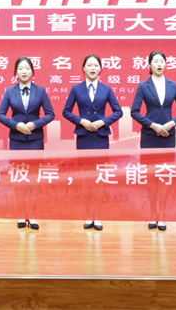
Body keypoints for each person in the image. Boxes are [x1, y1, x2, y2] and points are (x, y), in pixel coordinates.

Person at [131, 50, 176, 231]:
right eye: (155, 61)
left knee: (164, 176)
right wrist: (153, 125)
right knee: (151, 177)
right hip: (150, 136)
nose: (159, 64)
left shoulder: (173, 85)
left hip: (167, 137)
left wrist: (172, 123)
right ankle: (152, 214)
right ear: (149, 65)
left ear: (166, 64)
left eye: (162, 61)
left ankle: (162, 215)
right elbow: (134, 111)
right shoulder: (143, 85)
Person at [62, 54, 123, 231]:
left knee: (99, 177)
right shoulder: (76, 88)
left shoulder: (106, 89)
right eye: (89, 65)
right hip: (84, 136)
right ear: (84, 68)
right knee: (86, 177)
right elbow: (66, 111)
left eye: (96, 65)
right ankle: (89, 215)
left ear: (100, 69)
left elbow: (118, 111)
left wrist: (103, 122)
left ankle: (98, 216)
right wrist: (81, 121)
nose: (92, 68)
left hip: (101, 136)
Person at [0, 56, 55, 231]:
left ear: (32, 71)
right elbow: (0, 114)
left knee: (34, 179)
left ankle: (33, 214)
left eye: (27, 68)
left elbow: (50, 114)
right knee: (20, 178)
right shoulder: (10, 91)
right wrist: (16, 125)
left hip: (35, 141)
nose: (24, 71)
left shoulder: (41, 91)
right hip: (17, 141)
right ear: (15, 72)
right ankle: (22, 214)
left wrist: (34, 124)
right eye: (20, 68)